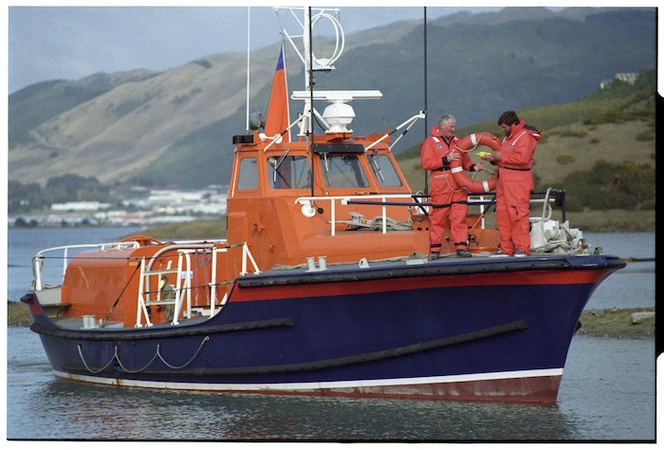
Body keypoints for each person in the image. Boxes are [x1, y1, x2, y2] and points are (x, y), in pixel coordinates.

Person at [420, 114, 483, 259]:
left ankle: (461, 247)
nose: (454, 129)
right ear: (442, 127)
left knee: (459, 218)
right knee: (438, 219)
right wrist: (445, 159)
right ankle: (435, 250)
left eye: (454, 126)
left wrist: (474, 167)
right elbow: (427, 163)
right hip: (441, 186)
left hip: (459, 186)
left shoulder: (458, 142)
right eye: (451, 127)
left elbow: (465, 161)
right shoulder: (430, 143)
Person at [481, 111, 541, 256]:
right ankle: (506, 248)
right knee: (503, 215)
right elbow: (506, 157)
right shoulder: (507, 139)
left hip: (517, 181)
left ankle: (522, 249)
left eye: (504, 127)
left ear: (513, 124)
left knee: (517, 214)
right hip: (504, 180)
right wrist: (493, 159)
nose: (503, 130)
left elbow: (522, 159)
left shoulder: (525, 137)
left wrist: (501, 156)